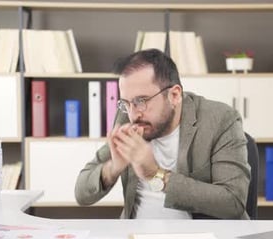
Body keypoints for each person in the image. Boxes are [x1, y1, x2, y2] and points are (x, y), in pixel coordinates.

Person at [75, 48, 250, 219]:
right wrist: (113, 168)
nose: (134, 114)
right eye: (126, 103)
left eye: (141, 101)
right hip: (136, 238)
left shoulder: (220, 119)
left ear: (174, 95)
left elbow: (233, 202)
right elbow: (82, 194)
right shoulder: (128, 118)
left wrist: (156, 174)